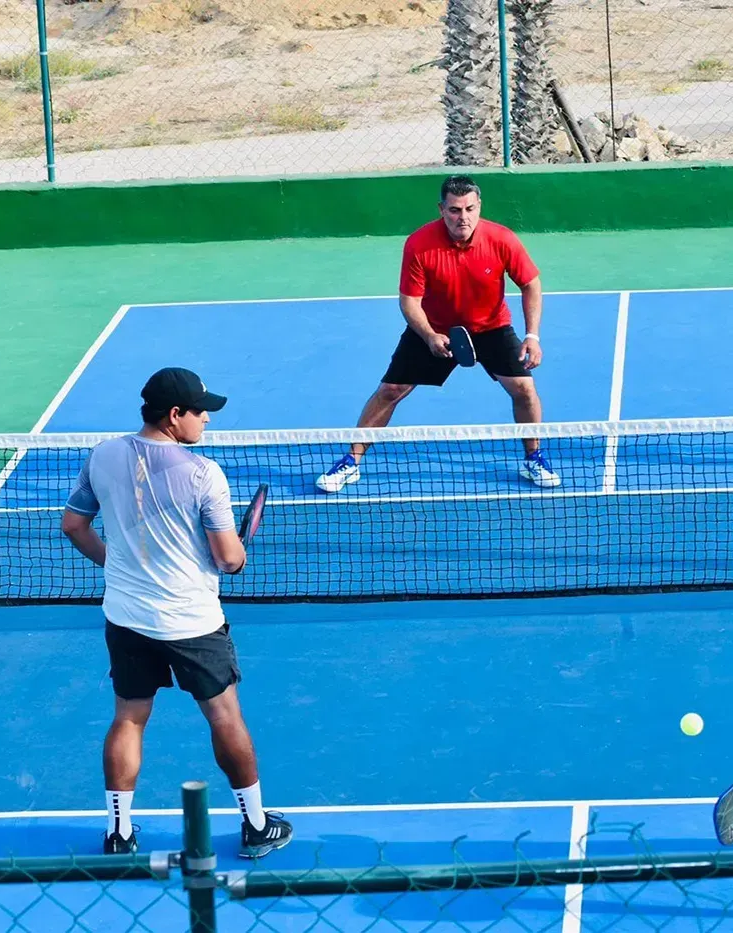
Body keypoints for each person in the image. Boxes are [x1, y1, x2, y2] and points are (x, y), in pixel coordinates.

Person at [62, 366, 293, 859]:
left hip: (127, 616)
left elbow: (74, 527)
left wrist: (118, 566)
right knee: (225, 717)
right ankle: (255, 826)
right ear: (174, 415)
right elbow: (229, 559)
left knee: (128, 719)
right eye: (201, 412)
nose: (207, 421)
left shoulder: (101, 456)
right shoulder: (202, 474)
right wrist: (239, 557)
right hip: (191, 622)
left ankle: (119, 835)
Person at [316, 174, 559, 493]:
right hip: (434, 328)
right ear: (442, 209)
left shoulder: (501, 239)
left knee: (524, 389)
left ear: (479, 206)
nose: (464, 217)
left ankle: (533, 458)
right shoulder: (419, 243)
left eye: (470, 209)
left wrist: (533, 336)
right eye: (455, 210)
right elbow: (409, 302)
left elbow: (531, 284)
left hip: (491, 327)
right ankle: (351, 460)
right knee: (390, 390)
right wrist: (429, 335)